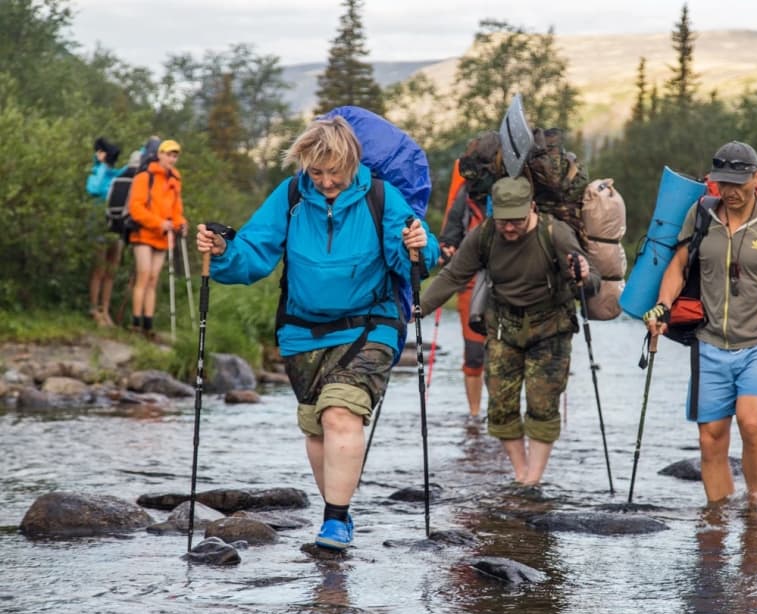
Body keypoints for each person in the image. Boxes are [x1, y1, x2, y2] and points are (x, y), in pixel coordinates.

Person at [195, 117, 437, 551]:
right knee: (317, 428)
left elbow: (414, 260)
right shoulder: (290, 196)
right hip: (302, 332)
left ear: (352, 161)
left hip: (370, 326)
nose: (326, 181)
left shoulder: (382, 196)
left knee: (339, 414)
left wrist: (418, 246)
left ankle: (335, 520)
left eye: (334, 172)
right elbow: (254, 252)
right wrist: (224, 250)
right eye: (317, 172)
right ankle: (337, 510)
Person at [645, 141, 757, 506]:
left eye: (738, 185)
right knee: (710, 437)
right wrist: (662, 307)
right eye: (722, 184)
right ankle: (717, 514)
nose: (729, 193)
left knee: (751, 421)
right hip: (710, 344)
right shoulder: (701, 216)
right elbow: (679, 266)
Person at [421, 177, 600, 486]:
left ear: (531, 208)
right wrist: (417, 308)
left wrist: (583, 276)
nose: (509, 228)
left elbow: (592, 282)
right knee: (501, 407)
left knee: (542, 405)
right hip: (504, 328)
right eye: (503, 221)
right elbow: (452, 276)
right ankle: (521, 473)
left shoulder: (554, 233)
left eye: (516, 221)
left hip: (550, 329)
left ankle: (533, 478)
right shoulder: (484, 235)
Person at [438, 131, 503, 427]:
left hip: (509, 279)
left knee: (502, 351)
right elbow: (450, 234)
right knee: (475, 353)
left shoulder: (517, 190)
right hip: (471, 281)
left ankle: (500, 415)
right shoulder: (465, 194)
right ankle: (476, 417)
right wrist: (446, 250)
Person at [128, 138, 187, 340]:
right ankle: (135, 323)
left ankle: (148, 323)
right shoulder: (145, 177)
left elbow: (176, 210)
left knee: (153, 279)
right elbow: (136, 208)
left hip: (163, 237)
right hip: (144, 234)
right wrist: (158, 223)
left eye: (174, 155)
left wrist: (180, 223)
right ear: (159, 154)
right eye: (168, 154)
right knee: (143, 275)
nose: (171, 159)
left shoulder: (175, 181)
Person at [85, 137, 124, 326]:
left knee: (111, 269)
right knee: (99, 269)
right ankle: (94, 309)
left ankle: (105, 309)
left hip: (116, 225)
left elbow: (136, 167)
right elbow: (93, 190)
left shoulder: (117, 174)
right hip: (99, 225)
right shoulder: (95, 173)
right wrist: (100, 165)